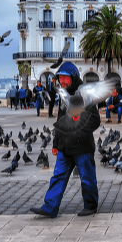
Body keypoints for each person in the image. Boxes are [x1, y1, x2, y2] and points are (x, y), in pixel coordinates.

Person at [31, 62, 100, 219]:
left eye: (65, 78)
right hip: (64, 147)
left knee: (87, 178)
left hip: (82, 146)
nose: (62, 82)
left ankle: (90, 206)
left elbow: (95, 120)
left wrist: (77, 132)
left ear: (73, 77)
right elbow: (61, 119)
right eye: (60, 79)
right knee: (58, 176)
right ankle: (50, 207)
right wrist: (56, 143)